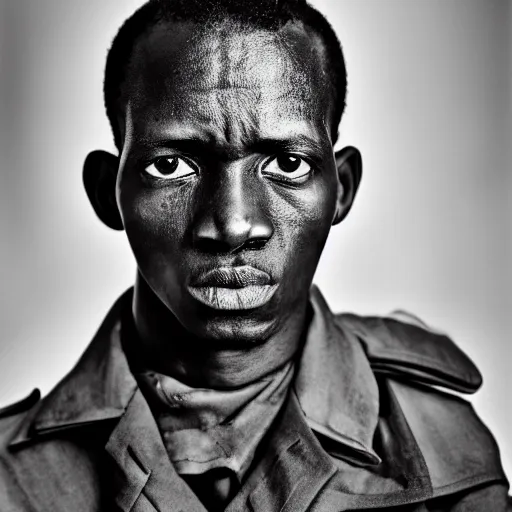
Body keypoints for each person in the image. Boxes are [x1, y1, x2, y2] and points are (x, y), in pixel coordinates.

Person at [0, 0, 509, 510]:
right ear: (107, 192)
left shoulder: (442, 449)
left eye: (288, 163)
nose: (233, 223)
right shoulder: (10, 479)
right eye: (172, 165)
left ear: (342, 190)